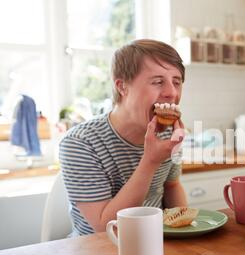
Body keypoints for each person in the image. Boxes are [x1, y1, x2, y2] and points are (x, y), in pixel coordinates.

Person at [59, 39, 187, 236]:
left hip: (154, 240)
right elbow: (106, 227)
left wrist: (185, 231)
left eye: (176, 82)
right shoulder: (80, 143)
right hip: (98, 251)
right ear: (122, 87)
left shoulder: (168, 134)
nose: (172, 92)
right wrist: (150, 161)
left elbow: (172, 186)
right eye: (158, 82)